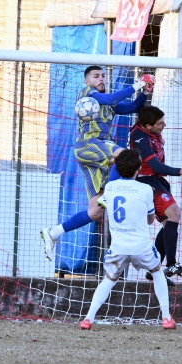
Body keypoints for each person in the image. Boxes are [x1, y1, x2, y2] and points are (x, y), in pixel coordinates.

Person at [41, 66, 153, 261]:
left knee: (95, 212)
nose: (101, 79)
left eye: (103, 76)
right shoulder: (88, 95)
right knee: (124, 155)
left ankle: (53, 233)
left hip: (96, 153)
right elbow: (110, 99)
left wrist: (144, 93)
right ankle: (109, 193)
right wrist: (137, 83)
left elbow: (134, 107)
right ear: (87, 81)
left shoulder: (108, 104)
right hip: (88, 145)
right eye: (96, 76)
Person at [79, 149, 176, 330]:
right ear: (138, 169)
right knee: (157, 272)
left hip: (118, 247)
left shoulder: (109, 187)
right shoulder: (146, 189)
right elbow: (149, 220)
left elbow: (104, 206)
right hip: (141, 247)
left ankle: (88, 319)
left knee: (108, 280)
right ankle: (166, 318)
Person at [129, 106, 182, 283]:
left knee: (169, 222)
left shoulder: (150, 130)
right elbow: (156, 167)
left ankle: (154, 269)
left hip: (157, 181)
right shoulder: (140, 139)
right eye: (160, 123)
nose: (164, 125)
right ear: (147, 126)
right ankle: (172, 263)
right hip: (146, 182)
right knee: (174, 213)